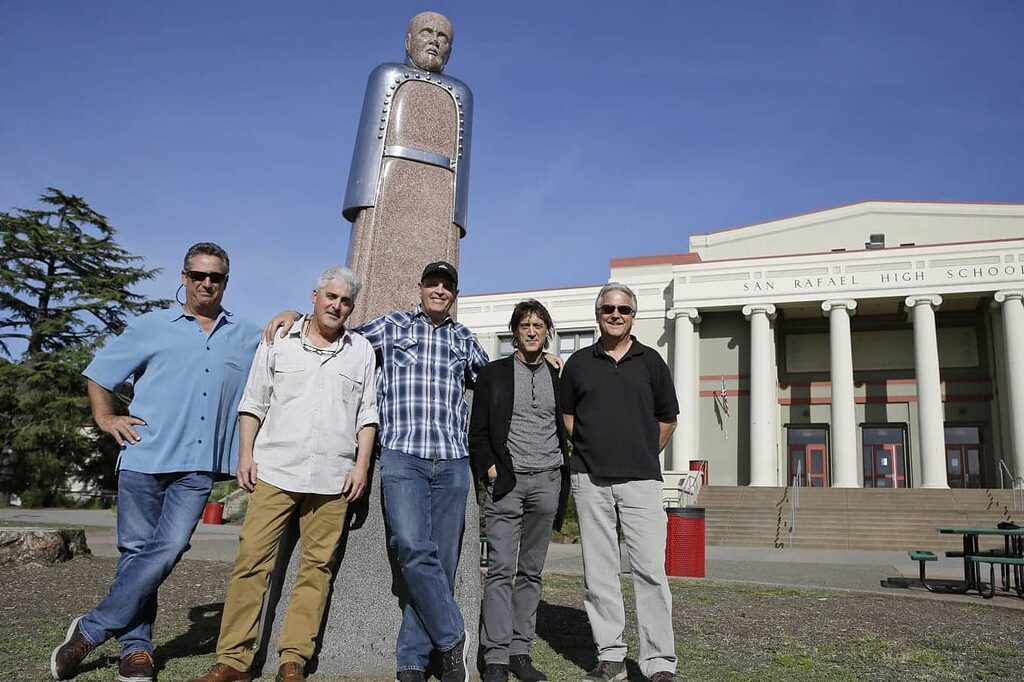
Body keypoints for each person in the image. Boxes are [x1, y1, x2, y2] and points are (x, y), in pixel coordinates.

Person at [264, 261, 488, 682]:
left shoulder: (465, 339)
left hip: (453, 460)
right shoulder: (393, 326)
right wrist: (298, 316)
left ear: (454, 294)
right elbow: (336, 335)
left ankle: (411, 661)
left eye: (448, 286)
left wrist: (541, 359)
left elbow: (494, 381)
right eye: (433, 284)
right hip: (402, 456)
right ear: (420, 287)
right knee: (410, 547)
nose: (440, 291)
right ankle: (452, 636)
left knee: (442, 559)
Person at [51, 243, 260, 682]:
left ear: (226, 281)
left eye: (216, 277)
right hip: (144, 456)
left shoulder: (247, 336)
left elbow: (281, 356)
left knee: (169, 548)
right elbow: (98, 372)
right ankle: (136, 649)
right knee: (134, 553)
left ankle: (90, 629)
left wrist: (288, 319)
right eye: (198, 274)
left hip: (197, 465)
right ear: (184, 277)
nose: (207, 283)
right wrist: (105, 418)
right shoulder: (150, 327)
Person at [190, 266, 378, 682]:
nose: (337, 306)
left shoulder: (361, 350)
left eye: (346, 301)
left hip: (333, 477)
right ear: (314, 296)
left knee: (317, 570)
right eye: (331, 297)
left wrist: (361, 465)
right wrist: (245, 456)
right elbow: (253, 402)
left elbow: (368, 413)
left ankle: (293, 660)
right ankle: (233, 660)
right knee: (251, 562)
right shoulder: (278, 341)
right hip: (275, 470)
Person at [559, 283, 680, 682]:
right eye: (608, 308)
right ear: (598, 314)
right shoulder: (579, 363)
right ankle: (610, 657)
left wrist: (643, 451)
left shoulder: (652, 362)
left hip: (642, 481)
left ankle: (659, 662)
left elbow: (668, 420)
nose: (615, 314)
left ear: (633, 315)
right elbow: (568, 417)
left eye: (623, 309)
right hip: (590, 480)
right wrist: (594, 448)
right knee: (599, 572)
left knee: (650, 571)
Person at [469, 300, 570, 682]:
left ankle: (519, 652)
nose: (531, 331)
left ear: (547, 332)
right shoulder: (494, 374)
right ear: (515, 330)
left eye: (539, 324)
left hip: (547, 479)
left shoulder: (558, 375)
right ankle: (494, 656)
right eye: (525, 324)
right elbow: (477, 432)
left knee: (531, 572)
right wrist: (493, 470)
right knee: (499, 571)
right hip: (508, 483)